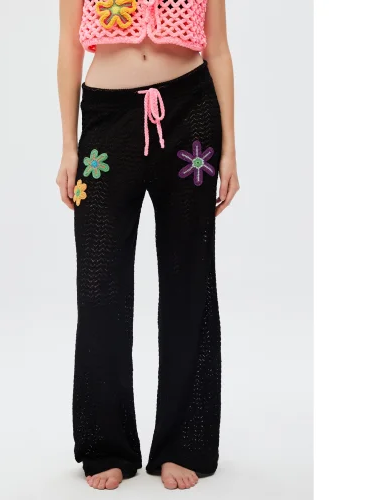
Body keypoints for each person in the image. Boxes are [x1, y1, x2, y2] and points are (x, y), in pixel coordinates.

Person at [56, 0, 239, 490]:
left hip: (191, 116)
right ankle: (107, 443)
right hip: (105, 121)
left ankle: (184, 444)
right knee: (99, 286)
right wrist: (69, 146)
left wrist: (230, 150)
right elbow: (69, 48)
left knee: (188, 280)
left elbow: (218, 50)